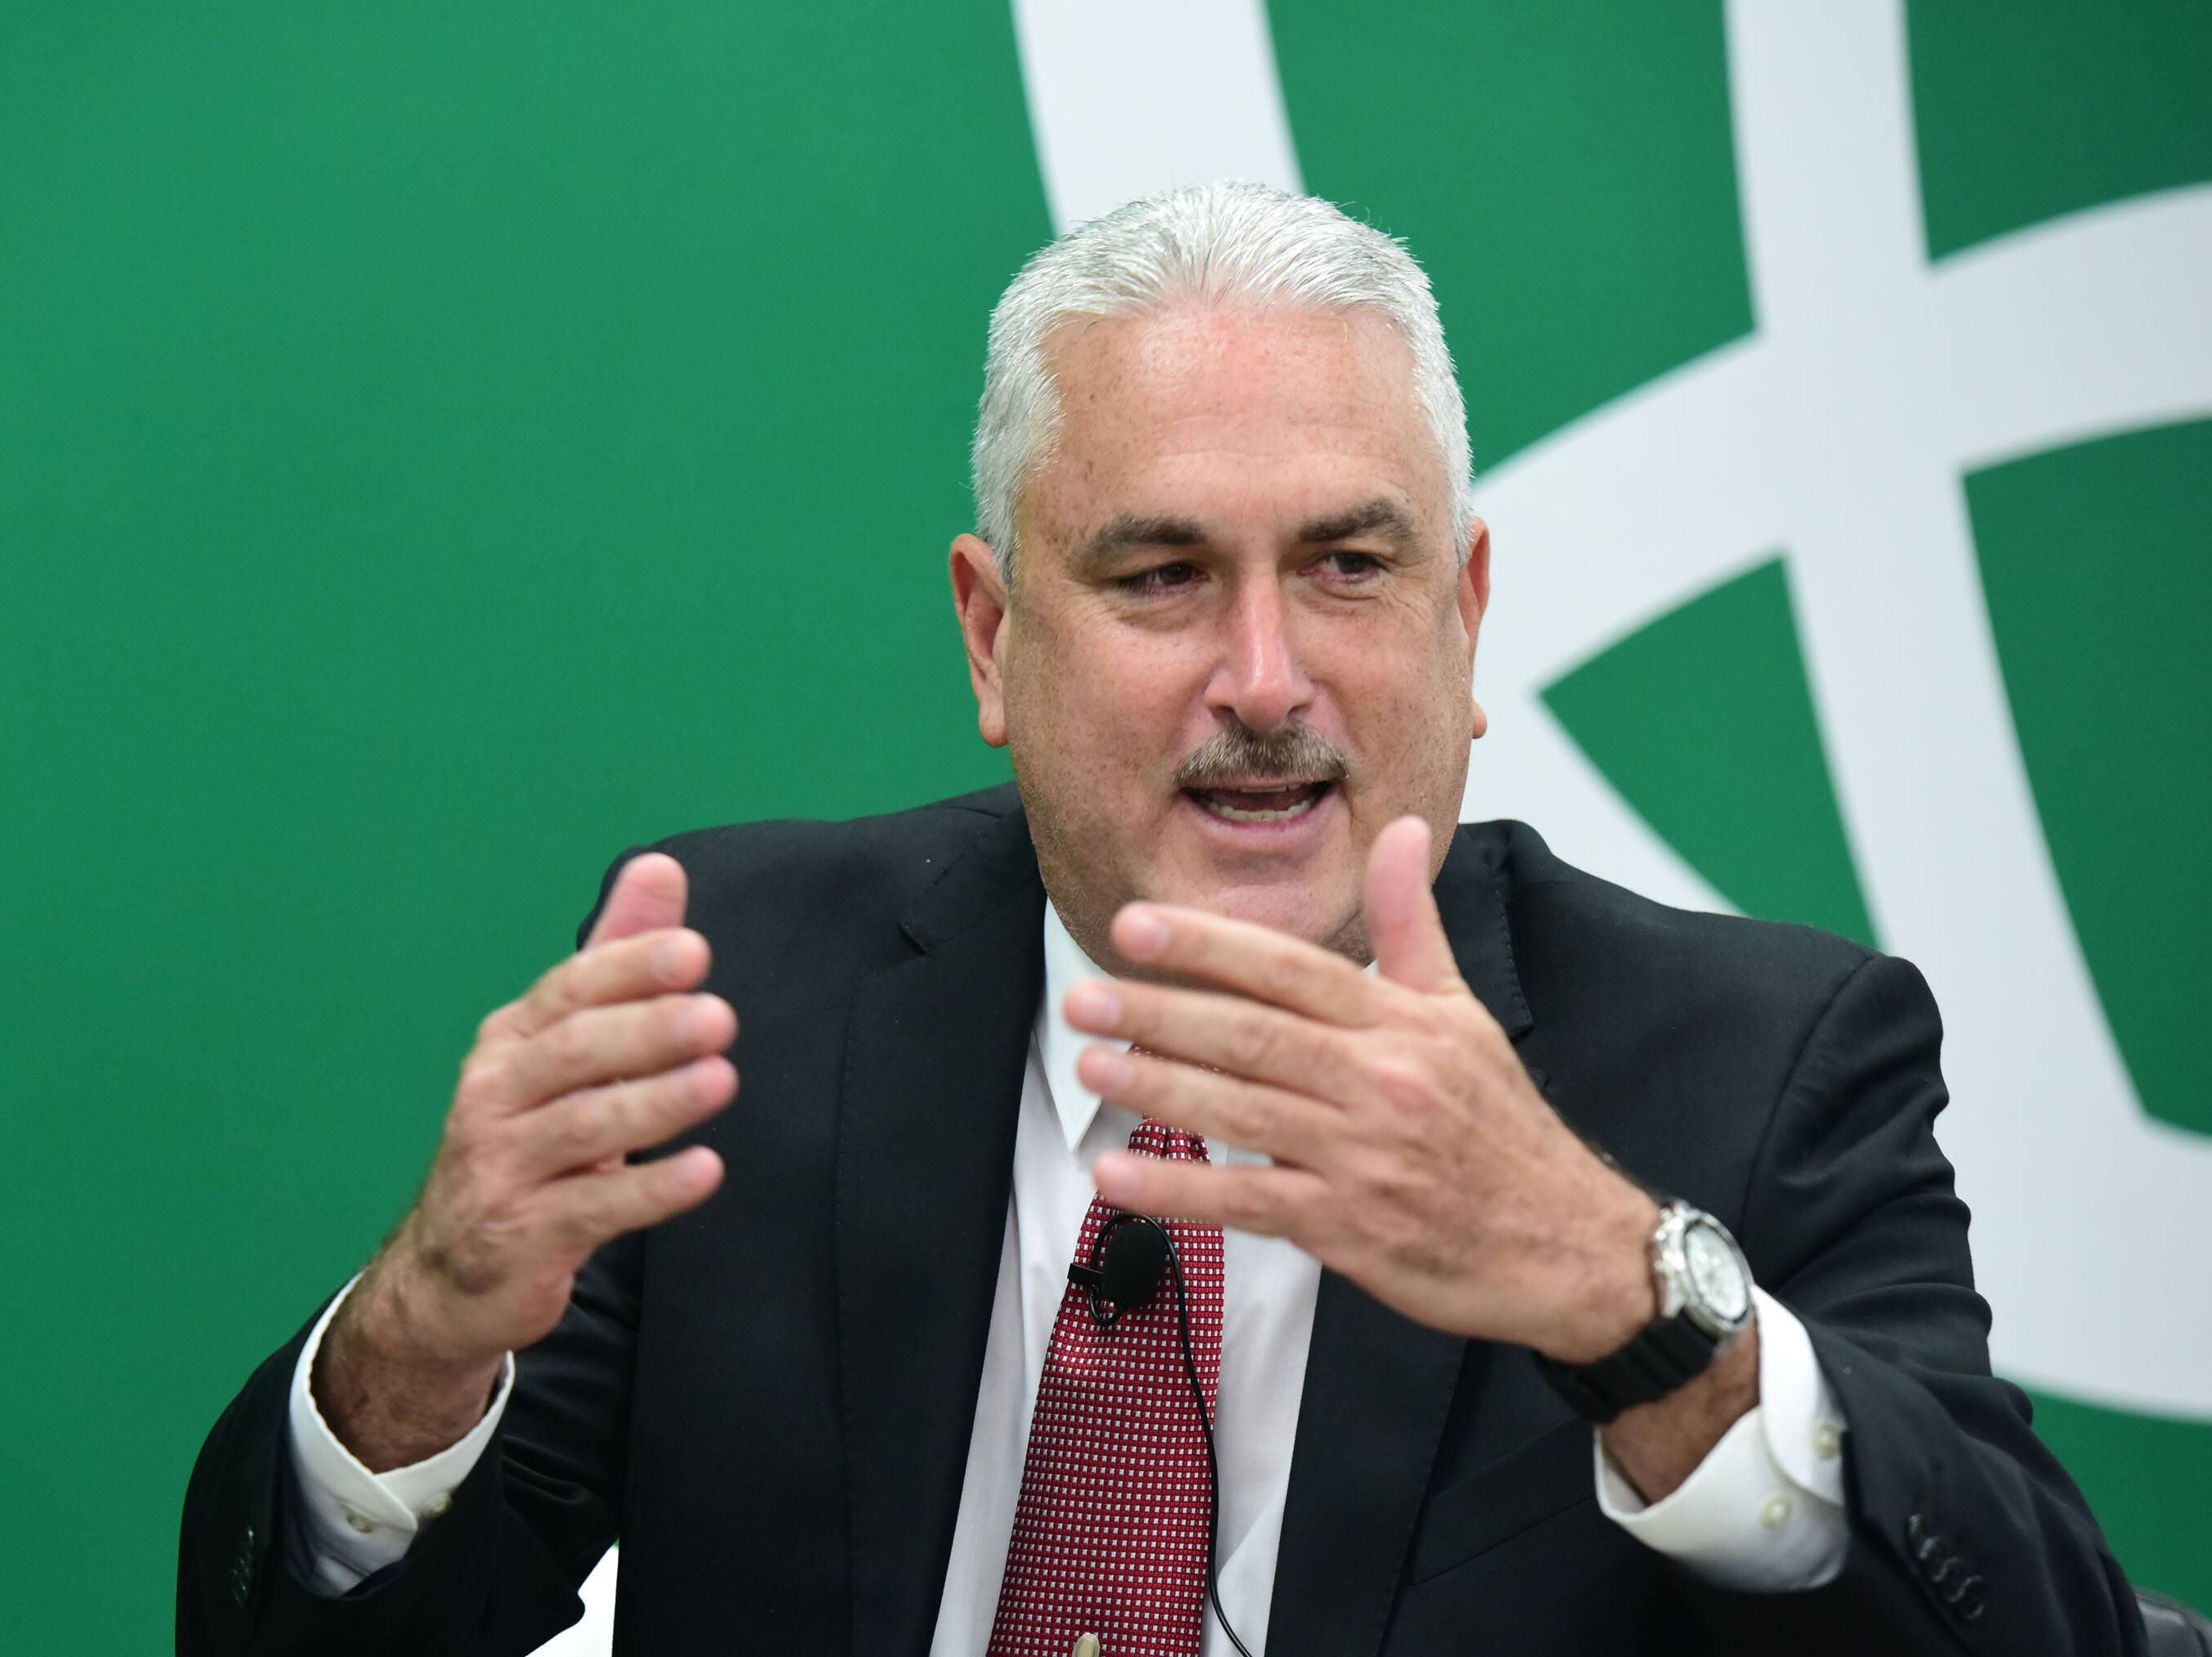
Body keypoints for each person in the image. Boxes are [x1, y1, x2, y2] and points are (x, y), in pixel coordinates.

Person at [176, 182, 2138, 1655]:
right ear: (992, 635)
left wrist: (1629, 1298)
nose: (1266, 678)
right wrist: (415, 1339)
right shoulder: (742, 998)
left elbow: (2030, 1615)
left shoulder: (1753, 1067)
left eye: (1348, 566)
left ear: (1465, 619)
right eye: (1163, 576)